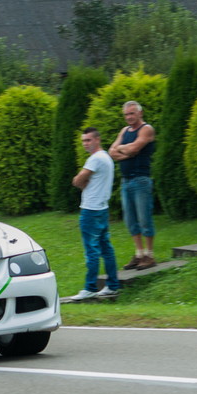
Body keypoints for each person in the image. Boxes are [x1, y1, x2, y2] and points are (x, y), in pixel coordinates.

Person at [68, 127, 120, 301]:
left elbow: (77, 181)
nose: (85, 144)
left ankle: (90, 287)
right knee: (106, 249)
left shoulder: (95, 159)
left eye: (88, 140)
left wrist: (81, 180)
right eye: (83, 141)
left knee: (92, 250)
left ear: (97, 139)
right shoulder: (106, 157)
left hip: (91, 210)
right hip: (102, 209)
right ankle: (112, 285)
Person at [109, 100, 156, 270]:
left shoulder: (146, 129)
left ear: (140, 113)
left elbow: (134, 149)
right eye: (126, 114)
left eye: (132, 113)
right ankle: (139, 254)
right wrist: (126, 151)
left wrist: (123, 150)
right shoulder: (124, 130)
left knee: (144, 218)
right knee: (130, 220)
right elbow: (111, 152)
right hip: (126, 181)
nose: (129, 117)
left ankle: (149, 256)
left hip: (141, 180)